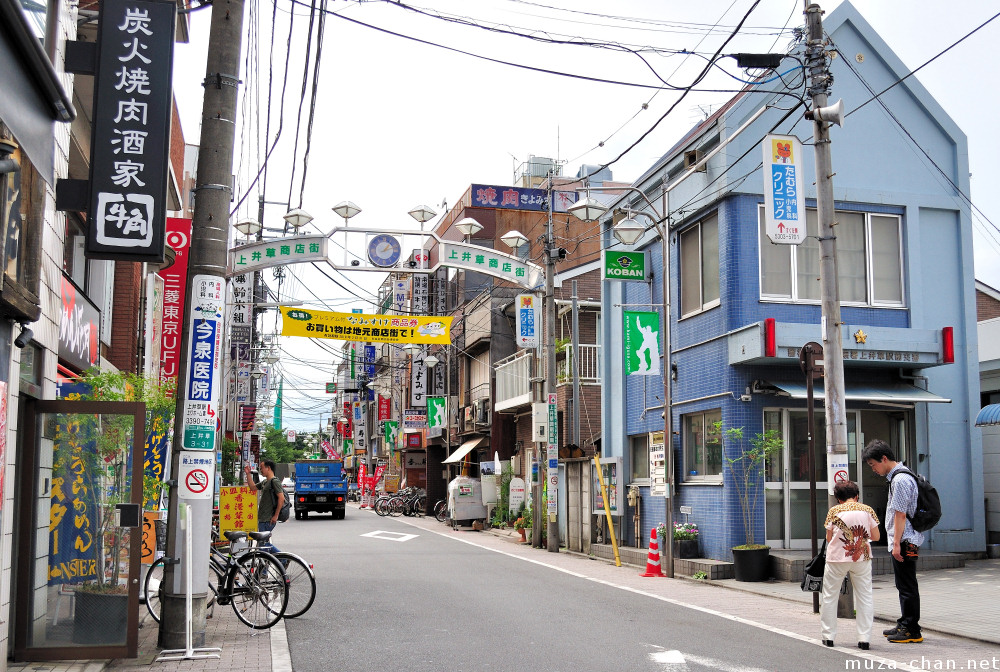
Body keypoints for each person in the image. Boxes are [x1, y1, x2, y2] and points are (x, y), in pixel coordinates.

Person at [863, 439, 924, 643]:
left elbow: (900, 514)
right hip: (907, 539)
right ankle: (905, 622)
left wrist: (896, 543)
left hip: (905, 540)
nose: (873, 469)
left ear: (884, 458)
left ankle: (911, 629)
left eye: (873, 464)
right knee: (904, 584)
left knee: (907, 585)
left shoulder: (899, 480)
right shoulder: (900, 476)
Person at [820, 480, 880, 650]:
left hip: (836, 559)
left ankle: (828, 636)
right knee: (865, 596)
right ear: (857, 496)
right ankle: (864, 638)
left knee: (830, 596)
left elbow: (829, 538)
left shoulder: (834, 511)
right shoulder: (867, 510)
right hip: (861, 558)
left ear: (838, 498)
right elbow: (876, 536)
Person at [245, 460, 283, 554]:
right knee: (263, 544)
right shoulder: (265, 482)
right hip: (263, 518)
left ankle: (281, 559)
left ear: (268, 468)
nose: (260, 470)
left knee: (263, 545)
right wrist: (248, 474)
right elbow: (253, 487)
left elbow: (281, 498)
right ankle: (278, 560)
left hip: (268, 518)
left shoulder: (274, 481)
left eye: (262, 467)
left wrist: (275, 516)